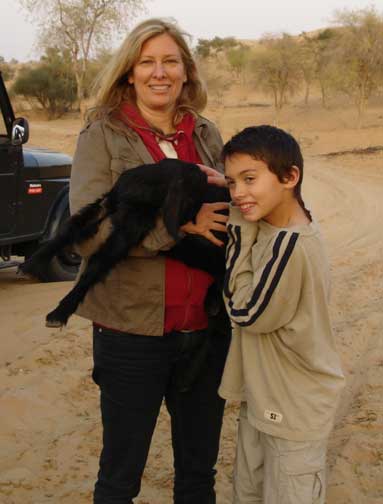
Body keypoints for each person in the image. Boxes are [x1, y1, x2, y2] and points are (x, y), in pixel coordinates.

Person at [69, 18, 230, 504]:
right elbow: (88, 233)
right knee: (121, 478)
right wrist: (177, 226)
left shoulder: (205, 132)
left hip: (204, 328)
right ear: (130, 72)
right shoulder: (103, 134)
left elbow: (231, 210)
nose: (159, 73)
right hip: (130, 333)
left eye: (170, 61)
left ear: (186, 71)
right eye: (147, 62)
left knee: (199, 475)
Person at [218, 125, 345, 504]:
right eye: (230, 183)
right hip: (266, 399)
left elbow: (243, 310)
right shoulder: (282, 224)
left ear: (290, 177)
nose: (238, 193)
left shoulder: (290, 246)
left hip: (293, 410)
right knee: (250, 493)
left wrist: (238, 225)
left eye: (250, 179)